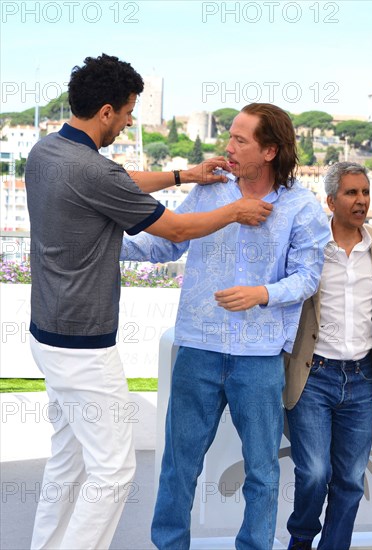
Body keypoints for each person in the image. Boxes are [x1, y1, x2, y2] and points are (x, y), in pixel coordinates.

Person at [25, 54, 272, 550]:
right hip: (83, 347)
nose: (133, 120)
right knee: (115, 469)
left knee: (67, 461)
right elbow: (176, 229)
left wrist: (183, 176)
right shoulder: (91, 171)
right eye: (130, 111)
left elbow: (117, 180)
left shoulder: (47, 152)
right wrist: (236, 209)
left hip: (47, 334)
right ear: (107, 112)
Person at [121, 102, 330, 549]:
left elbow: (308, 276)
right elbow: (162, 247)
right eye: (229, 136)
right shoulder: (210, 191)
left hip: (260, 358)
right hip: (197, 348)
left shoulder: (302, 207)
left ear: (270, 150)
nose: (227, 147)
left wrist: (262, 294)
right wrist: (94, 243)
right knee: (180, 465)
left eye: (240, 140)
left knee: (262, 470)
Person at [283, 162, 372, 550]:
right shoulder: (311, 244)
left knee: (351, 479)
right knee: (315, 473)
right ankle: (301, 540)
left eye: (366, 192)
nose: (362, 201)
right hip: (313, 375)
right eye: (352, 193)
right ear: (331, 200)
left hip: (362, 377)